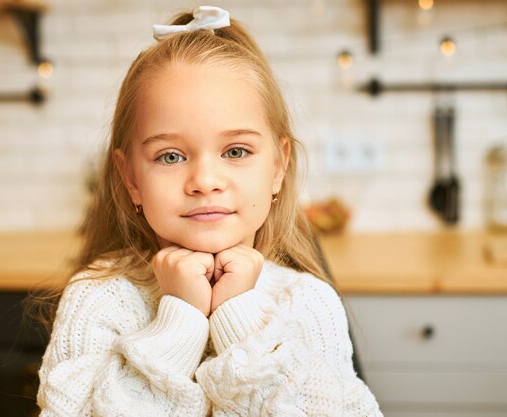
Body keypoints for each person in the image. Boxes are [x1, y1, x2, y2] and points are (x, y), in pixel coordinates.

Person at [36, 6, 383, 416]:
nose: (204, 180)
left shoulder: (306, 304)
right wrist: (178, 324)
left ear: (277, 167)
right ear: (130, 178)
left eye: (236, 151)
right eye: (170, 156)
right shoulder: (97, 302)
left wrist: (240, 319)